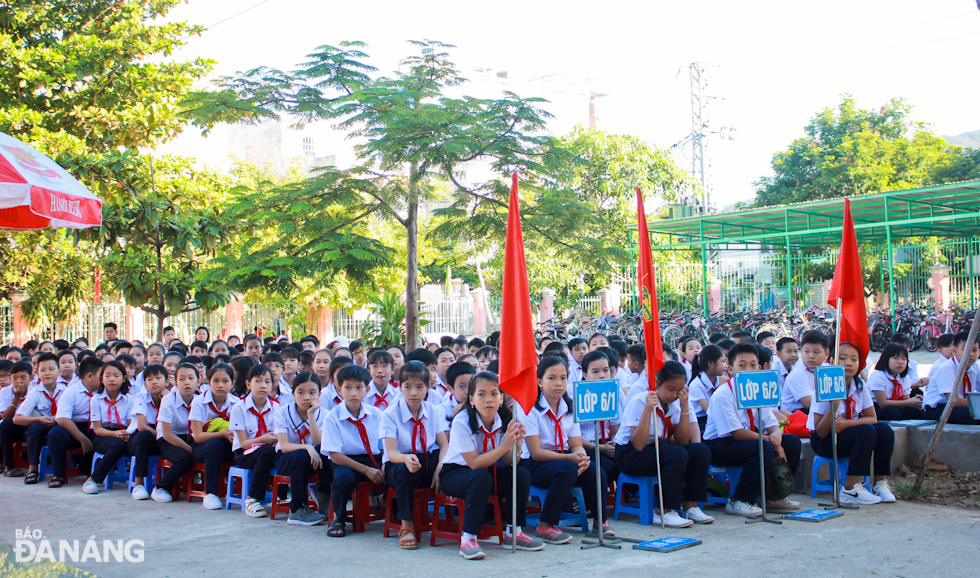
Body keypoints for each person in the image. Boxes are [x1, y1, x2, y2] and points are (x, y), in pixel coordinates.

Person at [439, 371, 543, 559]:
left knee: (519, 474)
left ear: (501, 398)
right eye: (481, 394)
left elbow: (508, 461)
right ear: (471, 399)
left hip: (488, 472)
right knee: (480, 477)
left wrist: (517, 444)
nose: (488, 399)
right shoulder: (462, 422)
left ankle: (515, 532)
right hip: (456, 474)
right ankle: (468, 539)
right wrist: (504, 445)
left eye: (494, 394)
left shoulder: (505, 420)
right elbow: (473, 463)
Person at [704, 343, 802, 516]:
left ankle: (774, 496)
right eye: (742, 365)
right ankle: (739, 500)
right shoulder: (723, 394)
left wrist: (776, 435)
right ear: (730, 369)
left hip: (748, 440)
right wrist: (769, 440)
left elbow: (770, 422)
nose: (748, 370)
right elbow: (736, 432)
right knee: (762, 447)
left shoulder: (756, 390)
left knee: (792, 442)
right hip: (720, 444)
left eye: (753, 365)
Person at [615, 360, 713, 527]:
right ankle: (665, 511)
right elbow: (638, 444)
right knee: (676, 454)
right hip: (630, 454)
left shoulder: (674, 404)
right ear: (657, 383)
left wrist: (684, 407)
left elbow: (682, 440)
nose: (674, 394)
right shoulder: (640, 401)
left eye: (679, 390)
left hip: (656, 449)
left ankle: (691, 506)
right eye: (671, 389)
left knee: (699, 450)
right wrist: (648, 410)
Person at [525, 354, 609, 543]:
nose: (558, 383)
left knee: (596, 471)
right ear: (539, 381)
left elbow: (576, 444)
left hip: (563, 459)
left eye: (563, 378)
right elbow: (536, 452)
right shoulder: (530, 410)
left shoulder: (569, 408)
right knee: (566, 469)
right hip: (534, 463)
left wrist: (581, 457)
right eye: (551, 378)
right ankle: (545, 526)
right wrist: (570, 459)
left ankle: (600, 522)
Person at [808, 342, 896, 505]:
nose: (848, 363)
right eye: (843, 358)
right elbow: (820, 431)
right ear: (833, 361)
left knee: (884, 430)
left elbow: (872, 418)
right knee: (867, 432)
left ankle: (880, 483)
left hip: (847, 433)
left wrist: (848, 424)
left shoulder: (860, 386)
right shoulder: (825, 386)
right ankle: (849, 488)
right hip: (825, 440)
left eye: (854, 359)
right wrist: (833, 405)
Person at [382, 362, 449, 549]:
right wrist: (405, 459)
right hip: (399, 463)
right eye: (408, 387)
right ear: (399, 387)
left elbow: (444, 444)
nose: (414, 392)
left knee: (453, 467)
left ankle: (460, 522)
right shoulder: (390, 414)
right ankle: (407, 526)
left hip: (427, 460)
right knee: (405, 472)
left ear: (427, 388)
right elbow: (392, 452)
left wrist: (440, 467)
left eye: (419, 387)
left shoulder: (433, 411)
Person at [323, 365, 384, 538]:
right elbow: (335, 455)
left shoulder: (377, 414)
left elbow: (385, 446)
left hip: (373, 459)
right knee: (343, 479)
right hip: (345, 460)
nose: (354, 393)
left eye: (359, 387)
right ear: (339, 389)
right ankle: (338, 518)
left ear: (367, 389)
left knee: (398, 474)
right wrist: (367, 470)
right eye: (347, 387)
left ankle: (385, 505)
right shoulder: (332, 417)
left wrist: (384, 465)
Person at [274, 371, 329, 526]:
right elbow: (284, 446)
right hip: (288, 459)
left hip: (315, 459)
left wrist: (311, 415)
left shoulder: (325, 414)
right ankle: (297, 508)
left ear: (319, 394)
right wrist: (306, 447)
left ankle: (323, 493)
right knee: (301, 455)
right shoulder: (282, 413)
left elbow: (319, 444)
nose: (306, 397)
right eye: (300, 392)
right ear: (293, 393)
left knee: (328, 453)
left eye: (312, 393)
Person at [229, 365, 279, 518]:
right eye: (258, 381)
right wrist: (264, 439)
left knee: (284, 453)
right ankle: (252, 499)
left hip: (268, 450)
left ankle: (283, 497)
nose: (263, 385)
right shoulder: (239, 408)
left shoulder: (276, 407)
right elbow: (243, 443)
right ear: (248, 384)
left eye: (267, 381)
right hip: (244, 453)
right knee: (266, 452)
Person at [46, 357, 104, 488]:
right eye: (102, 375)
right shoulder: (71, 392)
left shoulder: (103, 392)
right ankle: (59, 474)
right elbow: (62, 419)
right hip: (73, 428)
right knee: (55, 434)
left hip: (96, 427)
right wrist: (83, 439)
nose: (105, 379)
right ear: (90, 376)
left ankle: (95, 472)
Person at [189, 362, 239, 509]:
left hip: (229, 444)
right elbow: (197, 436)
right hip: (203, 446)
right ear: (208, 382)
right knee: (215, 444)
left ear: (232, 383)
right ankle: (211, 493)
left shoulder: (237, 404)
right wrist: (222, 434)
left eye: (225, 381)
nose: (220, 385)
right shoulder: (199, 402)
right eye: (216, 381)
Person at [151, 362, 202, 503]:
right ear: (175, 382)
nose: (187, 382)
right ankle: (160, 488)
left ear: (199, 380)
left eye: (191, 378)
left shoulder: (199, 400)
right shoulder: (168, 400)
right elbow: (167, 434)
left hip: (191, 438)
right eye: (182, 379)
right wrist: (191, 451)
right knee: (184, 459)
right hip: (169, 440)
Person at [11, 354, 65, 484]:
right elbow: (17, 419)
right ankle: (33, 469)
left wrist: (55, 418)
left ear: (59, 371)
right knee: (36, 427)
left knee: (59, 431)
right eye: (43, 370)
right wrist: (38, 420)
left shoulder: (66, 391)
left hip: (59, 428)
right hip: (39, 431)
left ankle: (59, 473)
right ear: (37, 373)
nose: (47, 373)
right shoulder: (35, 392)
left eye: (51, 369)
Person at [81, 361, 133, 494]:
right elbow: (97, 429)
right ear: (102, 379)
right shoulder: (96, 399)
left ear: (123, 379)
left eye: (116, 375)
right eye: (107, 375)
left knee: (133, 443)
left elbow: (131, 423)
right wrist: (115, 434)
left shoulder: (129, 399)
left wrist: (125, 433)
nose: (112, 379)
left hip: (124, 433)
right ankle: (93, 480)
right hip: (103, 435)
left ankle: (139, 482)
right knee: (118, 445)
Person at [924, 331, 980, 424]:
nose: (970, 354)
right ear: (954, 351)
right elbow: (952, 401)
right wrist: (976, 404)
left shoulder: (975, 367)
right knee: (970, 415)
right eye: (965, 349)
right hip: (939, 409)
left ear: (979, 352)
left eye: (974, 350)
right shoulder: (947, 368)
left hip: (962, 405)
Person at [128, 364, 167, 500]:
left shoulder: (170, 397)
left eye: (158, 378)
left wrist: (167, 400)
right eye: (149, 379)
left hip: (162, 436)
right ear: (144, 383)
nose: (154, 382)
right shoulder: (141, 397)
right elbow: (142, 426)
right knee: (144, 435)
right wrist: (163, 436)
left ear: (166, 381)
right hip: (139, 439)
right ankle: (139, 484)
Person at [868, 343, 926, 421]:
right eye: (896, 358)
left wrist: (915, 401)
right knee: (894, 413)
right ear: (886, 359)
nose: (900, 362)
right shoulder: (878, 375)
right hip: (876, 407)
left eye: (904, 359)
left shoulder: (904, 377)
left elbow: (906, 399)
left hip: (896, 405)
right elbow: (882, 403)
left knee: (916, 411)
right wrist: (909, 402)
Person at [782, 330, 830, 415]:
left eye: (816, 352)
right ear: (801, 352)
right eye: (807, 351)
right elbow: (810, 404)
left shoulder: (827, 369)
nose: (811, 356)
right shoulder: (797, 374)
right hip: (796, 416)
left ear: (826, 354)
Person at [688, 345, 727, 430]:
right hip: (700, 422)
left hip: (714, 419)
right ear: (711, 364)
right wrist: (721, 388)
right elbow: (711, 411)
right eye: (723, 361)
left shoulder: (720, 378)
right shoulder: (696, 385)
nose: (726, 366)